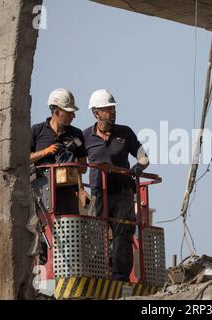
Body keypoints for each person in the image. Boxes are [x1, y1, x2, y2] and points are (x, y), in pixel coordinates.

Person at [83, 89, 149, 281]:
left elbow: (143, 157)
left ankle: (120, 277)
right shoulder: (85, 136)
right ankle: (96, 276)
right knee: (94, 236)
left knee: (123, 235)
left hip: (122, 194)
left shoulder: (125, 132)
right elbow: (76, 162)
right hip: (98, 194)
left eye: (113, 108)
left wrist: (139, 166)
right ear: (96, 112)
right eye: (107, 109)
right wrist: (80, 189)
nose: (112, 112)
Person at [30, 88, 88, 214]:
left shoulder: (76, 134)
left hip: (68, 197)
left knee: (68, 233)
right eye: (69, 112)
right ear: (56, 112)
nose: (73, 116)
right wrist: (45, 152)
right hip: (42, 194)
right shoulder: (37, 130)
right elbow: (25, 159)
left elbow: (83, 167)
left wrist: (69, 168)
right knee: (43, 231)